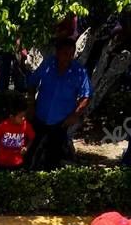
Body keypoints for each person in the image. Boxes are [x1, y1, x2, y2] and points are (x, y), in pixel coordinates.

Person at [25, 37, 92, 170]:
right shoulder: (48, 64)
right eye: (65, 53)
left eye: (71, 54)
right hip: (40, 116)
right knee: (30, 150)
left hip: (61, 121)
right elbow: (32, 82)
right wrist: (31, 105)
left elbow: (87, 95)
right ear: (57, 52)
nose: (68, 57)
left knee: (53, 155)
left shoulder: (79, 71)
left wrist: (75, 115)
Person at [0, 101, 34, 170]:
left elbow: (31, 137)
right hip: (2, 161)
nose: (23, 119)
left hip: (17, 162)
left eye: (24, 116)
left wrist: (26, 147)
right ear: (11, 117)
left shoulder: (26, 125)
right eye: (21, 117)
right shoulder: (3, 125)